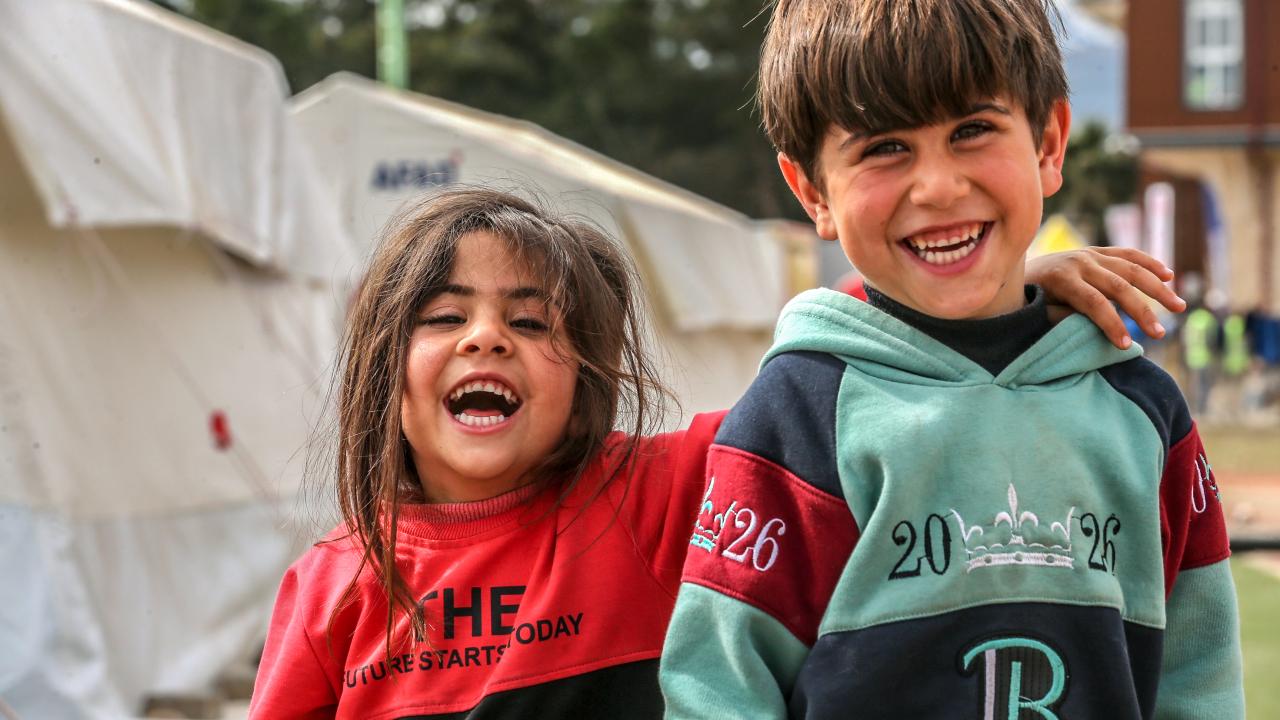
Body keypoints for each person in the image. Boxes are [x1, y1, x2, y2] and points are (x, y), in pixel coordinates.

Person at [247, 182, 1184, 718]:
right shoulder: (330, 587)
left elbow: (832, 382)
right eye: (445, 317)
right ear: (383, 366)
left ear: (586, 375)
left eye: (531, 322)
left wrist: (991, 289)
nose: (486, 337)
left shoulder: (651, 494)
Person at [659, 1, 1243, 718]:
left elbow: (1200, 680)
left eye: (971, 131)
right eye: (884, 147)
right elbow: (718, 688)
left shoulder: (1145, 413)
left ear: (1048, 144)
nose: (938, 187)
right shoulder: (797, 418)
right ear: (813, 191)